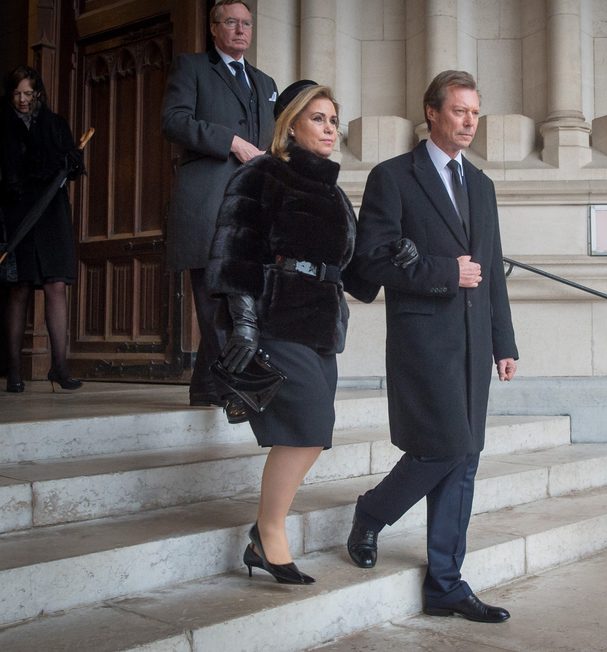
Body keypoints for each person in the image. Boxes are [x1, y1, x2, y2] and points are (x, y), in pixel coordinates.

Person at [346, 70, 519, 623]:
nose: (470, 122)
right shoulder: (393, 177)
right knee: (442, 448)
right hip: (423, 339)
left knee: (465, 458)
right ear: (432, 113)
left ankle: (446, 581)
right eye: (460, 111)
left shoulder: (483, 186)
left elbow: (491, 274)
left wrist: (503, 342)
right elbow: (369, 261)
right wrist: (446, 272)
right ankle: (372, 512)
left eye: (475, 112)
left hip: (473, 344)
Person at [207, 81, 369, 584]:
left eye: (333, 121)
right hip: (277, 317)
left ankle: (264, 534)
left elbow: (354, 270)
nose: (329, 129)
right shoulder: (262, 174)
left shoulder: (335, 192)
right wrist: (246, 323)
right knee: (308, 427)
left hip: (321, 323)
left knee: (312, 433)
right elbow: (237, 249)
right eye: (318, 118)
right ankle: (270, 532)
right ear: (292, 124)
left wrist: (404, 255)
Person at [162, 0, 277, 407]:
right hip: (206, 201)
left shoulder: (265, 83)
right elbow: (173, 120)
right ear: (214, 28)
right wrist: (230, 141)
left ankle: (205, 386)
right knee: (214, 297)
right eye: (231, 22)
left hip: (250, 206)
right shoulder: (191, 67)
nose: (241, 29)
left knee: (243, 295)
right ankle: (236, 389)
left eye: (246, 23)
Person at [0, 65, 84, 393]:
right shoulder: (2, 125)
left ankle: (60, 368)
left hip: (52, 215)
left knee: (56, 286)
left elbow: (72, 169)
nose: (23, 100)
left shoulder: (55, 124)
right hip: (17, 214)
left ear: (38, 93)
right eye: (17, 93)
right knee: (18, 288)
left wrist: (72, 162)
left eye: (28, 94)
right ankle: (14, 372)